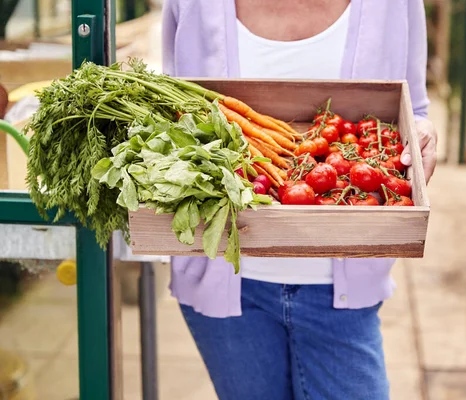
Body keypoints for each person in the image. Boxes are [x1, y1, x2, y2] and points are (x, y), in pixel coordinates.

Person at [161, 1, 437, 399]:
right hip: (227, 282)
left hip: (340, 293)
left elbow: (413, 107)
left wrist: (423, 135)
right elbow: (175, 107)